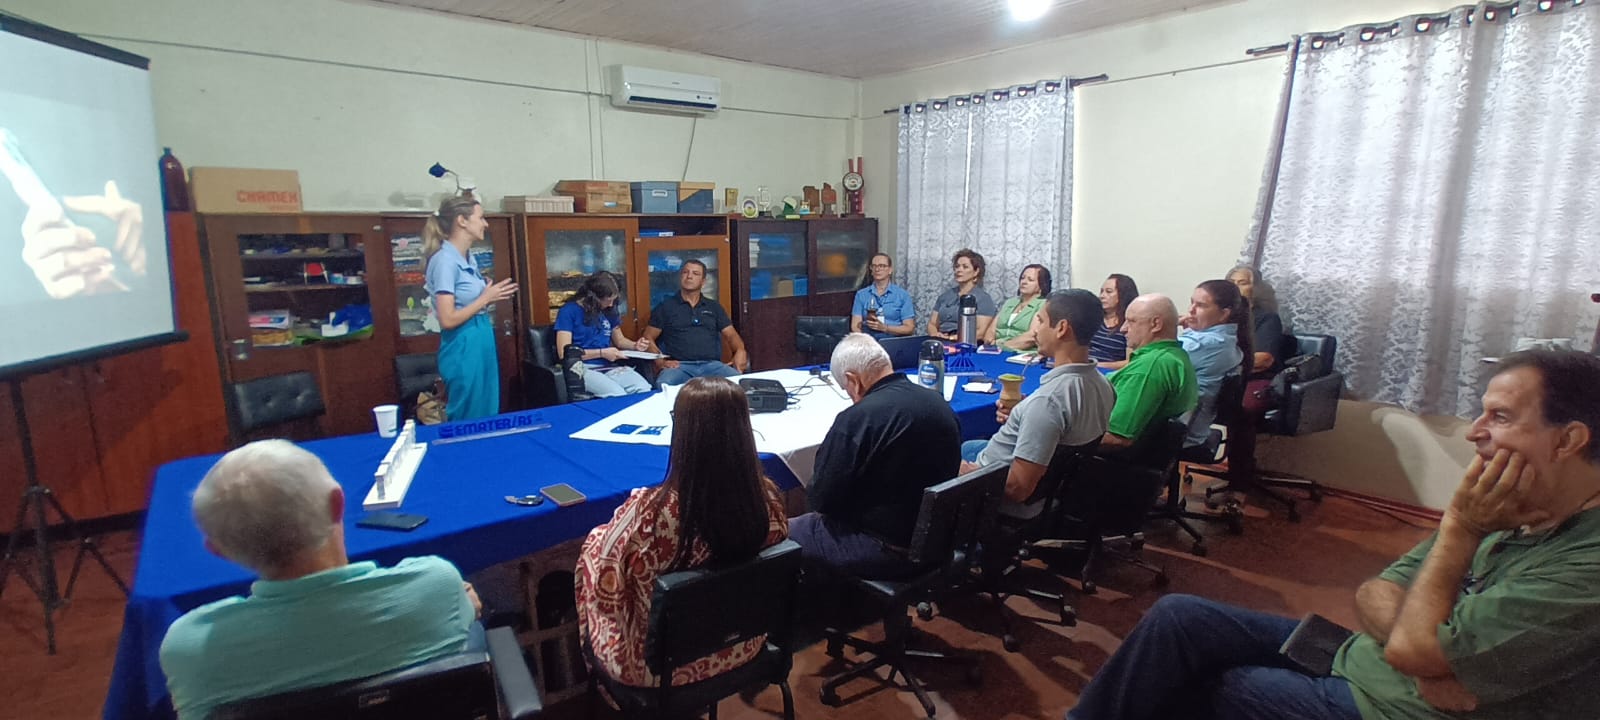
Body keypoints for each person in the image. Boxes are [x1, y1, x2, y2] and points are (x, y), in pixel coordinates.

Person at [1066, 350, 1600, 720]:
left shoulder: (1580, 561)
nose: (1475, 432)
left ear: (1569, 440)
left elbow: (1415, 639)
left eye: (1500, 417)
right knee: (1178, 618)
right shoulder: (1518, 504)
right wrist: (1421, 655)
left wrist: (1459, 530)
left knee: (1214, 687)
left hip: (1394, 709)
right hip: (1377, 666)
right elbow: (1375, 592)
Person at [158, 440, 479, 720]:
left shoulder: (189, 649)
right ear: (337, 504)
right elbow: (461, 615)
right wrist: (463, 603)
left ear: (219, 551)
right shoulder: (437, 585)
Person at [576, 378, 789, 686]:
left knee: (593, 555)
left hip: (657, 670)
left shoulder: (649, 513)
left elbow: (609, 584)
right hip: (742, 647)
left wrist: (597, 539)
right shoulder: (769, 501)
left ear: (684, 431)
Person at [788, 334, 961, 579]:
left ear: (853, 380)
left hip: (889, 548)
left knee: (785, 530)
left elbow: (822, 500)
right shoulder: (938, 402)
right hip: (938, 539)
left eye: (845, 389)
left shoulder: (858, 418)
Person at [959, 290, 1114, 515]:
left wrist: (964, 472)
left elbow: (1017, 488)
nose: (1035, 330)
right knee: (968, 446)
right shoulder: (1103, 384)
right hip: (1054, 488)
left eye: (1040, 321)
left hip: (1003, 497)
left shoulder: (1048, 402)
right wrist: (1023, 413)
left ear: (1061, 328)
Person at [424, 195, 516, 420]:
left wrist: (486, 297)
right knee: (469, 412)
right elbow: (447, 319)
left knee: (487, 408)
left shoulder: (468, 258)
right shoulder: (445, 261)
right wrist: (485, 299)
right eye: (481, 217)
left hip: (481, 333)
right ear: (461, 221)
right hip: (463, 342)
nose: (485, 223)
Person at [1101, 294, 1198, 451]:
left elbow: (1118, 438)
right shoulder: (1176, 355)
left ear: (1155, 324)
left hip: (1114, 465)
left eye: (1131, 321)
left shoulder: (1149, 368)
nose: (1123, 329)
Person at [637, 260, 748, 385]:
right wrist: (660, 361)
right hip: (680, 367)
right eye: (685, 272)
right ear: (680, 277)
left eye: (695, 273)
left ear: (703, 281)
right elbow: (648, 337)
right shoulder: (666, 307)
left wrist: (740, 350)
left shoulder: (714, 307)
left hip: (712, 365)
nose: (689, 276)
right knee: (664, 384)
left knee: (738, 382)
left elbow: (732, 335)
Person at [1177, 279, 1251, 446]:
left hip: (1179, 432)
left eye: (1201, 305)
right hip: (1188, 425)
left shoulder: (1208, 344)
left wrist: (1164, 326)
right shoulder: (1224, 339)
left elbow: (1151, 359)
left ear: (1224, 314)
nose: (1191, 310)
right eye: (1191, 303)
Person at [554, 271, 651, 397]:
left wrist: (635, 345)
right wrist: (602, 353)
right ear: (593, 298)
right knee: (617, 394)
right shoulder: (569, 311)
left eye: (613, 300)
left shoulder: (608, 311)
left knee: (643, 388)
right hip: (581, 368)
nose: (611, 304)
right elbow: (564, 354)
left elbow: (620, 340)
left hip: (608, 366)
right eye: (608, 300)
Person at [1228, 265, 1290, 416]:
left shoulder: (1267, 318)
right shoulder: (1220, 316)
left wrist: (1221, 361)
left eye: (1242, 283)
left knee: (1240, 407)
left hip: (1254, 379)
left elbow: (1264, 359)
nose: (1235, 287)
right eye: (1231, 282)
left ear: (1255, 288)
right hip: (1223, 376)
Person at [927, 248, 997, 341]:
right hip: (940, 339)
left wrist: (952, 338)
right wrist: (935, 335)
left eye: (965, 267)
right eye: (957, 266)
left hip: (964, 342)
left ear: (976, 272)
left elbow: (981, 332)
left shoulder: (983, 299)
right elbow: (932, 324)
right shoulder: (945, 296)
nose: (959, 270)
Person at [986, 264, 1051, 351]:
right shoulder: (1010, 302)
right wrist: (989, 342)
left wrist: (1002, 346)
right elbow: (991, 330)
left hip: (1021, 354)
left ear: (1041, 286)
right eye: (1022, 278)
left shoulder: (1043, 305)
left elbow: (1032, 336)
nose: (1024, 282)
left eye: (1030, 280)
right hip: (995, 350)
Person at [850, 252, 916, 338]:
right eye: (874, 266)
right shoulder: (861, 295)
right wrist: (867, 342)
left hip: (893, 341)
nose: (877, 269)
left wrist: (885, 328)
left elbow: (909, 328)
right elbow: (855, 326)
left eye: (882, 266)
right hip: (869, 341)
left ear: (890, 270)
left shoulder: (902, 295)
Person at [1092, 273, 1139, 370]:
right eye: (1101, 291)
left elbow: (1131, 361)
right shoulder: (1094, 318)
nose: (1102, 296)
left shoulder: (1129, 325)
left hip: (1109, 374)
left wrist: (1097, 366)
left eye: (1109, 292)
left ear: (1122, 295)